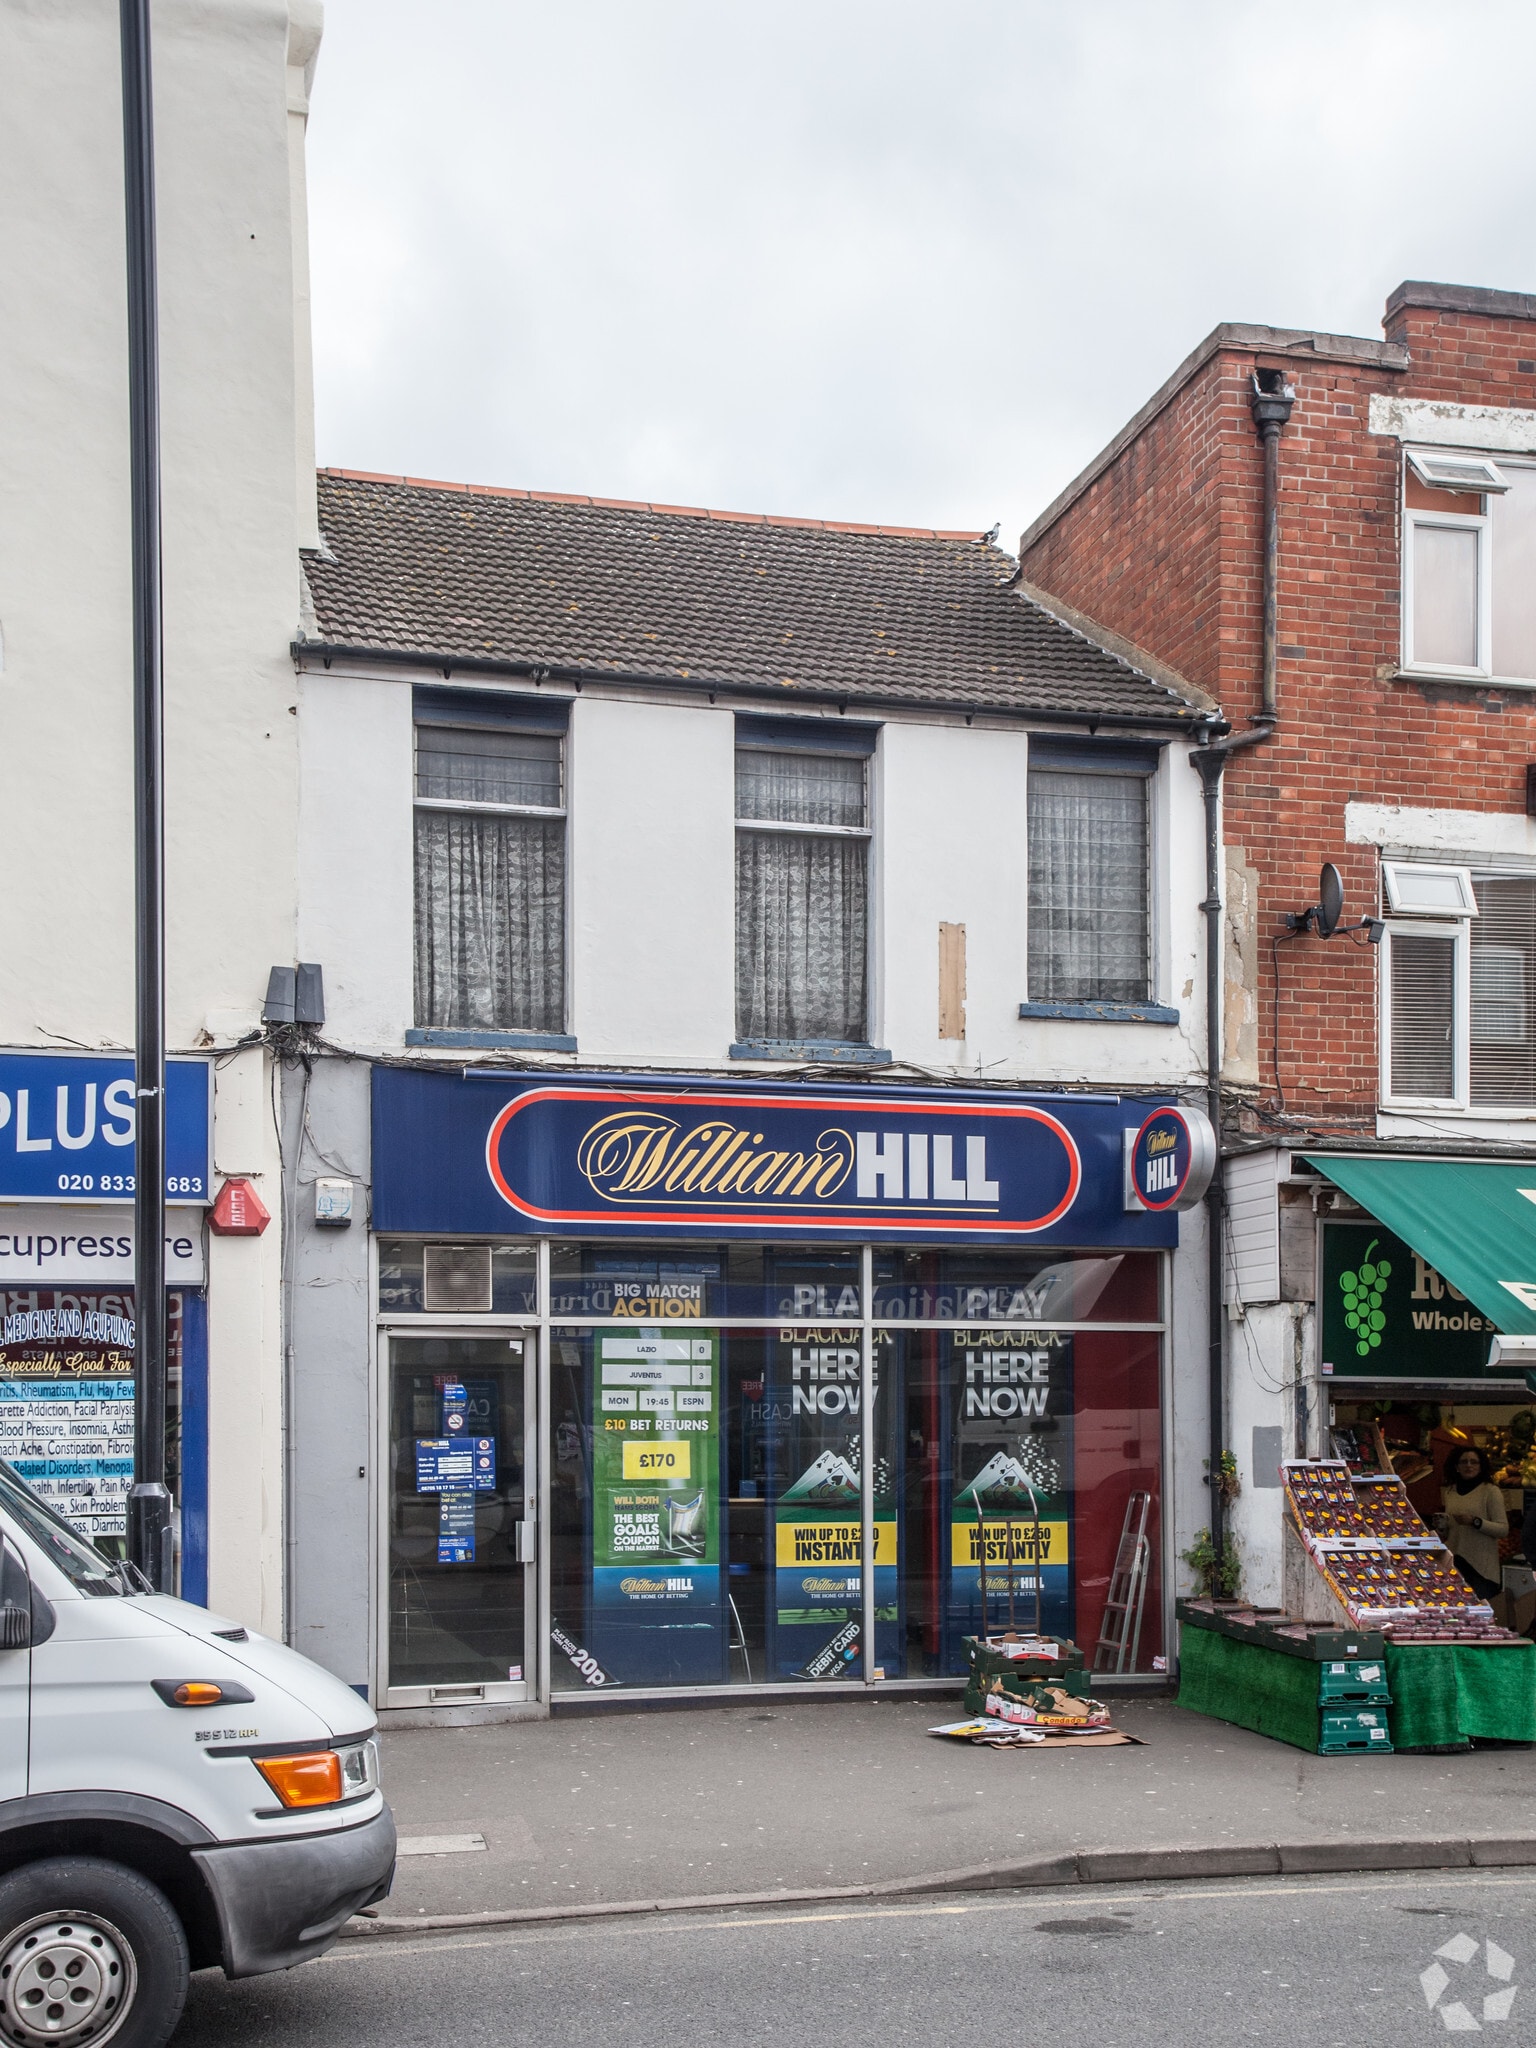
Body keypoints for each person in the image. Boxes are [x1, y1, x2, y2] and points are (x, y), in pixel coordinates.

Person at [1442, 1446, 1508, 1602]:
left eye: (1474, 1462)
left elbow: (1503, 1529)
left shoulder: (1490, 1492)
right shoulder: (1450, 1492)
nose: (1469, 1465)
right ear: (1456, 1466)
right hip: (1455, 1564)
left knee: (1479, 1616)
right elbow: (1451, 1529)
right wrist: (1442, 1526)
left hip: (1481, 1569)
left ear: (1481, 1466)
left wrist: (1476, 1522)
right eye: (1464, 1462)